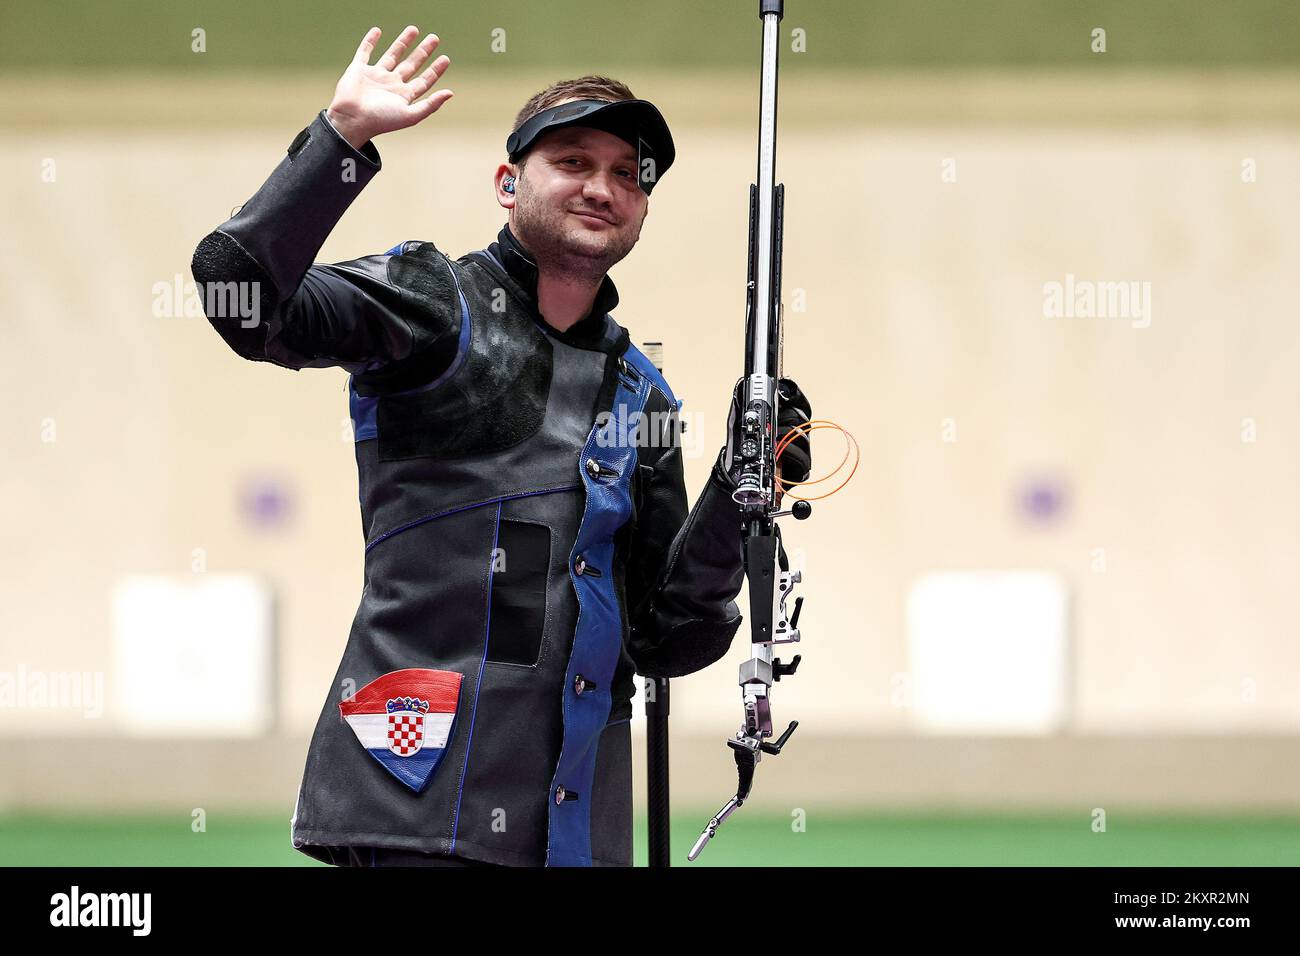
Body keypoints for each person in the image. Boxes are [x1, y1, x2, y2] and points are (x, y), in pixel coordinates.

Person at [191, 25, 811, 867]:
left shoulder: (644, 394)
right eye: (575, 162)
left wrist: (741, 490)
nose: (604, 187)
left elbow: (668, 634)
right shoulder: (430, 297)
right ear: (508, 182)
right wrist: (341, 139)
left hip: (575, 825)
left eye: (629, 176)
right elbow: (242, 298)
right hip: (415, 793)